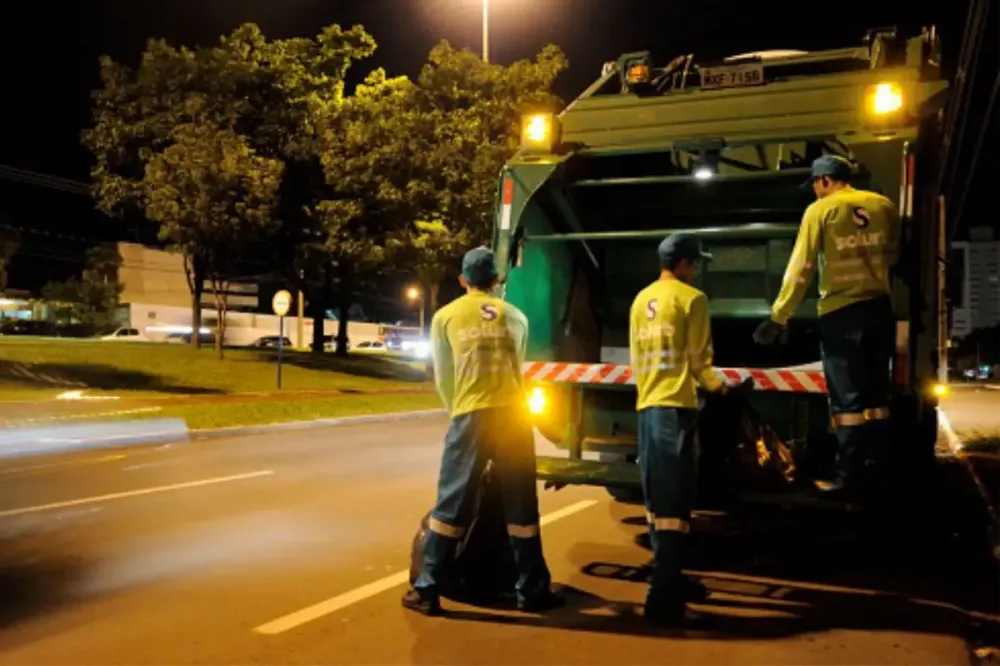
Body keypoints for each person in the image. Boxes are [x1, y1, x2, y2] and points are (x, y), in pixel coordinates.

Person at [402, 247, 562, 616]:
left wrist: (458, 412)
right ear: (496, 279)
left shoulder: (445, 317)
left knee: (451, 504)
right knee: (521, 507)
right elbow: (517, 368)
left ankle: (427, 588)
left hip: (471, 415)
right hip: (513, 418)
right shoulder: (516, 317)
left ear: (463, 280)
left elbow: (445, 376)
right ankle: (532, 591)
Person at [753, 155, 901, 498]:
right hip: (879, 309)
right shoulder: (883, 206)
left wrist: (778, 316)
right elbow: (893, 253)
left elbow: (801, 267)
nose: (815, 192)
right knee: (877, 399)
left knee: (848, 401)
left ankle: (849, 476)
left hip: (841, 313)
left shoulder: (820, 210)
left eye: (815, 186)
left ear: (824, 181)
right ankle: (878, 470)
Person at [629, 232, 748, 626]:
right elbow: (700, 364)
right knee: (674, 507)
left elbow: (637, 360)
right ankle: (662, 599)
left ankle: (671, 578)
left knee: (656, 504)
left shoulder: (640, 300)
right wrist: (723, 388)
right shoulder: (692, 300)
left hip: (647, 407)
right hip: (676, 411)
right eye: (694, 263)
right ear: (682, 264)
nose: (696, 270)